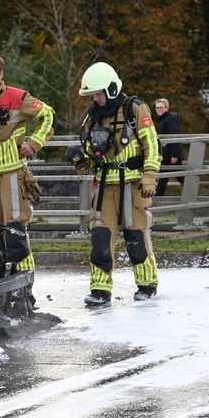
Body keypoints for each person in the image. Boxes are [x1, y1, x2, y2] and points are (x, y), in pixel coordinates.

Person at [67, 62, 160, 306]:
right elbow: (90, 160)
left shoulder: (136, 109)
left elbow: (152, 145)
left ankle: (147, 284)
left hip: (133, 184)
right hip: (105, 185)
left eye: (98, 93)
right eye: (92, 95)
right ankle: (100, 289)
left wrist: (149, 176)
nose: (95, 99)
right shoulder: (92, 117)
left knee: (135, 236)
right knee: (100, 238)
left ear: (111, 88)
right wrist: (80, 159)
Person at [0, 53, 55, 283]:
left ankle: (25, 289)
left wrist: (34, 143)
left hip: (11, 175)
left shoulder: (18, 97)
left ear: (1, 74)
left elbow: (48, 116)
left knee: (15, 234)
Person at [154, 98, 184, 196]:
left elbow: (174, 136)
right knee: (163, 177)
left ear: (166, 108)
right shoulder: (164, 119)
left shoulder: (169, 120)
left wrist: (174, 155)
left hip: (171, 155)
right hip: (167, 154)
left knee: (179, 176)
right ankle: (159, 197)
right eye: (156, 108)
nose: (158, 109)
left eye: (160, 107)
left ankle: (192, 192)